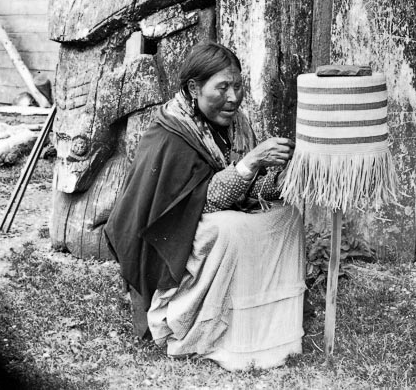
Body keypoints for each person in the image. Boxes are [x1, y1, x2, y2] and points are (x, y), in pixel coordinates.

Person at [104, 42, 306, 371]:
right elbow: (205, 201)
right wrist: (252, 162)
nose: (233, 97)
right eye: (223, 87)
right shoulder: (172, 132)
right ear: (194, 88)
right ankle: (201, 327)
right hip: (170, 234)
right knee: (230, 229)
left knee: (288, 217)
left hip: (214, 219)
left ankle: (264, 324)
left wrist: (284, 178)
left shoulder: (238, 125)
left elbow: (249, 190)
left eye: (238, 86)